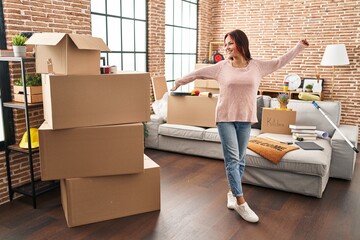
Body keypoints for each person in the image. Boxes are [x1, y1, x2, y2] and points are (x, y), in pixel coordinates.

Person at [170, 29, 309, 223]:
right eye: (225, 44)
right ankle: (241, 202)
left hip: (245, 119)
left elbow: (279, 62)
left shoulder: (257, 66)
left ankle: (232, 193)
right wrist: (178, 82)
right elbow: (198, 74)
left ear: (241, 44)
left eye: (230, 43)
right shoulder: (221, 67)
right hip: (225, 118)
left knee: (241, 159)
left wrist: (298, 47)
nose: (226, 47)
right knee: (233, 160)